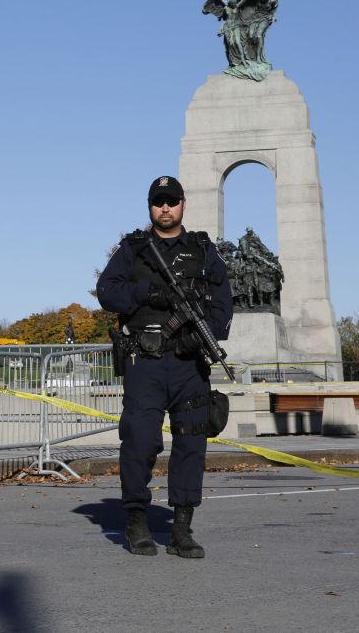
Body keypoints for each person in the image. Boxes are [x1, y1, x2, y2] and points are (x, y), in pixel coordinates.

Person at [96, 175, 233, 559]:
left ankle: (182, 530)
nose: (165, 208)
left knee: (191, 443)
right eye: (159, 202)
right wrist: (145, 292)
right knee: (140, 441)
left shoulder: (204, 249)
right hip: (147, 361)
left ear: (183, 204)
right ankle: (136, 521)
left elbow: (223, 301)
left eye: (172, 201)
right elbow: (108, 291)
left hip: (190, 363)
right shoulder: (134, 249)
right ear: (150, 207)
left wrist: (207, 335)